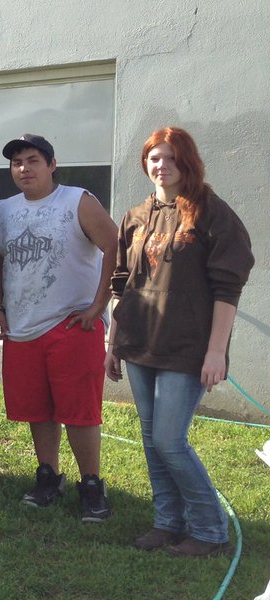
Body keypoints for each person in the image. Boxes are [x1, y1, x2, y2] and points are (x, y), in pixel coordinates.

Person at [106, 127, 253, 557]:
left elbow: (228, 288)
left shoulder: (212, 213)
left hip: (187, 346)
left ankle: (209, 529)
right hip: (139, 341)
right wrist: (113, 343)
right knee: (152, 439)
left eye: (171, 158)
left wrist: (215, 350)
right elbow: (123, 283)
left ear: (187, 162)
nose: (161, 166)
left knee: (170, 440)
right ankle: (167, 522)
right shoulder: (136, 215)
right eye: (154, 157)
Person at [0, 134, 118, 521]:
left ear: (51, 165)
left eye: (32, 160)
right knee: (37, 409)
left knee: (79, 411)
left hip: (72, 323)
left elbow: (115, 246)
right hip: (22, 327)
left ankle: (91, 483)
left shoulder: (78, 201)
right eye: (16, 163)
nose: (23, 169)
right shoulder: (7, 209)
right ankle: (48, 476)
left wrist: (99, 305)